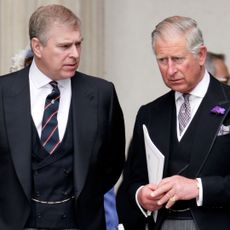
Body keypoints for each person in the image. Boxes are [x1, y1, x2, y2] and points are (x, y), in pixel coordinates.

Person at [0, 4, 125, 230]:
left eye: (78, 44)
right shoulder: (2, 92)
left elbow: (112, 164)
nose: (75, 54)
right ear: (37, 47)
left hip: (81, 223)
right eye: (65, 46)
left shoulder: (101, 93)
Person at [119, 15, 230, 230]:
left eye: (178, 59)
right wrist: (141, 196)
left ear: (201, 55)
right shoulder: (150, 114)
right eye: (162, 60)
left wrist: (199, 188)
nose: (170, 70)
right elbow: (130, 182)